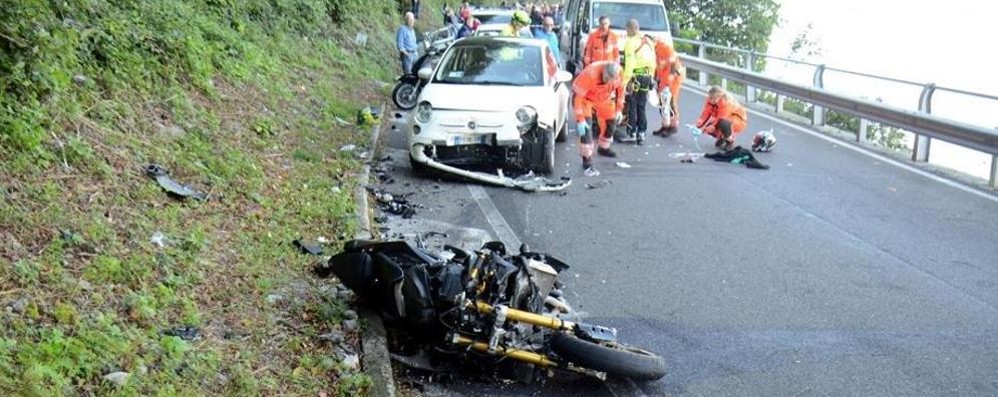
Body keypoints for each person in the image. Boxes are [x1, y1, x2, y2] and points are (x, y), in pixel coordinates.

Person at [573, 61, 626, 168]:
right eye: (605, 79)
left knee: (611, 122)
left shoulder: (619, 73)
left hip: (603, 98)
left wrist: (619, 110)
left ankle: (603, 147)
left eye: (610, 81)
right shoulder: (589, 75)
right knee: (586, 129)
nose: (607, 82)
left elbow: (621, 91)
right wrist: (580, 119)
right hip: (585, 99)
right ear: (603, 72)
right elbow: (577, 98)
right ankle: (586, 157)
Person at [620, 19, 656, 145]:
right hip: (647, 76)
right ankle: (642, 133)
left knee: (632, 105)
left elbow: (629, 64)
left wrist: (625, 81)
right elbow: (653, 61)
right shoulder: (648, 41)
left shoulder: (630, 43)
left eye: (627, 30)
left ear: (630, 29)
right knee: (642, 106)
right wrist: (651, 76)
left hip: (635, 76)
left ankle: (632, 133)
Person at [696, 86, 748, 151]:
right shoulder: (710, 99)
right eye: (710, 98)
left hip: (738, 121)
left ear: (719, 97)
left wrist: (713, 126)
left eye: (713, 99)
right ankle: (722, 137)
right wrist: (699, 124)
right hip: (723, 119)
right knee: (708, 126)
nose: (711, 100)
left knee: (723, 124)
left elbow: (722, 118)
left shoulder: (727, 102)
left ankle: (730, 140)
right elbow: (706, 112)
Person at [652, 36, 684, 136]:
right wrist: (656, 78)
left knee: (670, 100)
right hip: (664, 77)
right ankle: (665, 125)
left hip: (673, 78)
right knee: (663, 101)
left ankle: (673, 125)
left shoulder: (666, 48)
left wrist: (667, 83)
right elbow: (657, 66)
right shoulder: (654, 49)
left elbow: (672, 65)